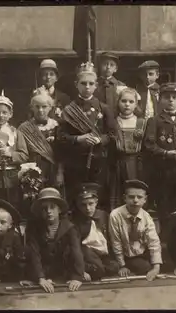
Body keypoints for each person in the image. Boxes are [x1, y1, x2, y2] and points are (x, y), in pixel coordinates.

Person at [57, 61, 117, 208]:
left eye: (91, 83)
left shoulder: (104, 108)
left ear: (96, 85)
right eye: (83, 83)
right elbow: (60, 137)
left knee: (98, 199)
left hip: (98, 163)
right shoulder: (69, 109)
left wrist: (99, 140)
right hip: (75, 163)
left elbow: (113, 134)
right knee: (75, 199)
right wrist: (78, 138)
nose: (87, 87)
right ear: (76, 85)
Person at [143, 82, 176, 222]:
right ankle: (165, 237)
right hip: (162, 170)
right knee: (164, 203)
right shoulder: (154, 120)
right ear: (160, 100)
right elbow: (149, 145)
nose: (171, 100)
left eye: (174, 97)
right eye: (167, 97)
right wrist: (166, 153)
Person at [25, 188, 85, 293]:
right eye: (44, 208)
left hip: (63, 269)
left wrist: (77, 276)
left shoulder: (69, 228)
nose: (49, 211)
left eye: (52, 207)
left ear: (59, 210)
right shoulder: (34, 229)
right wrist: (41, 278)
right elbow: (34, 254)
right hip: (43, 270)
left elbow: (76, 251)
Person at [108, 180, 162, 281]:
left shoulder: (146, 217)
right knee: (144, 267)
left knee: (162, 264)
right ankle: (127, 268)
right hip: (123, 254)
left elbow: (153, 241)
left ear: (145, 199)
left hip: (139, 253)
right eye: (131, 197)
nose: (135, 200)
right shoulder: (115, 215)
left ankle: (136, 269)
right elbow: (116, 242)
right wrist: (122, 265)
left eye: (139, 197)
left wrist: (156, 267)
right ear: (125, 198)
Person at [108, 87, 148, 211]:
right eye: (124, 101)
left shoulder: (142, 123)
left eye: (131, 102)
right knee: (118, 193)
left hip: (135, 164)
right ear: (118, 102)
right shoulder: (113, 122)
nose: (127, 105)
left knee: (134, 192)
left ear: (136, 104)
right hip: (117, 163)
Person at [70, 183, 119, 281]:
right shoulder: (75, 221)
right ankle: (90, 269)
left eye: (91, 204)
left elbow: (112, 237)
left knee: (114, 267)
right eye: (83, 205)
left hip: (103, 254)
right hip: (86, 254)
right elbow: (75, 247)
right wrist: (81, 270)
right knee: (97, 269)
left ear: (96, 202)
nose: (88, 208)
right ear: (78, 205)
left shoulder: (104, 216)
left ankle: (97, 269)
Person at [18, 89, 64, 189]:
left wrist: (60, 173)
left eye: (44, 107)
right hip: (32, 169)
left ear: (50, 108)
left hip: (53, 169)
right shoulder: (24, 128)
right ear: (32, 108)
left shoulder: (56, 126)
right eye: (37, 107)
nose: (41, 110)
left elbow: (62, 155)